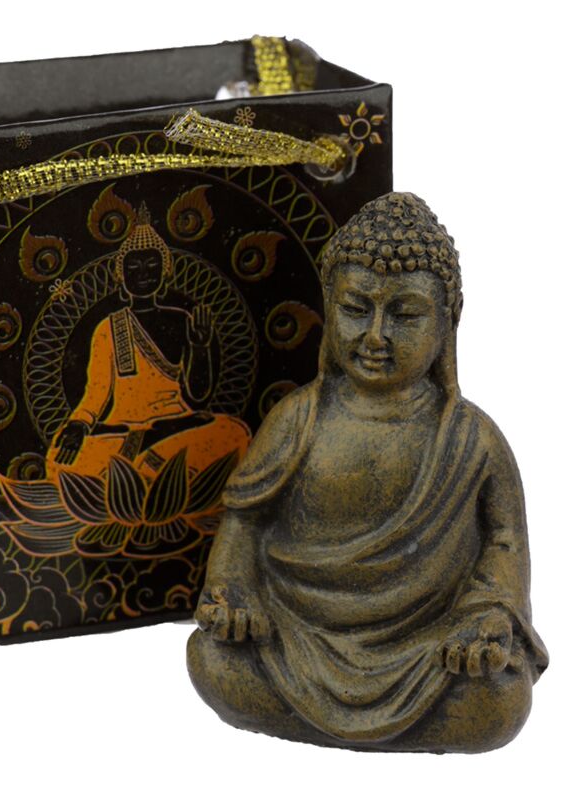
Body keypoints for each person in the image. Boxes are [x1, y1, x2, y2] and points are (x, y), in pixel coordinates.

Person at [187, 192, 548, 753]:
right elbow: (245, 519)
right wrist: (233, 591)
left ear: (447, 322)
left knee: (499, 701)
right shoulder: (299, 418)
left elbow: (505, 541)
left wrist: (487, 618)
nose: (376, 335)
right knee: (213, 659)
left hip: (422, 649)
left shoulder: (472, 439)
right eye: (356, 309)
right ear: (329, 307)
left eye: (405, 316)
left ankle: (382, 716)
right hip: (299, 636)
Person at [46, 206, 250, 482]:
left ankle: (138, 469)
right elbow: (96, 395)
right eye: (134, 268)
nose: (143, 274)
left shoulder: (182, 320)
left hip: (177, 424)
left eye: (151, 267)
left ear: (165, 271)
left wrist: (201, 348)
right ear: (121, 276)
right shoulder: (109, 327)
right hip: (124, 429)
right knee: (59, 455)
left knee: (235, 433)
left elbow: (198, 397)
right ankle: (156, 466)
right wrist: (79, 425)